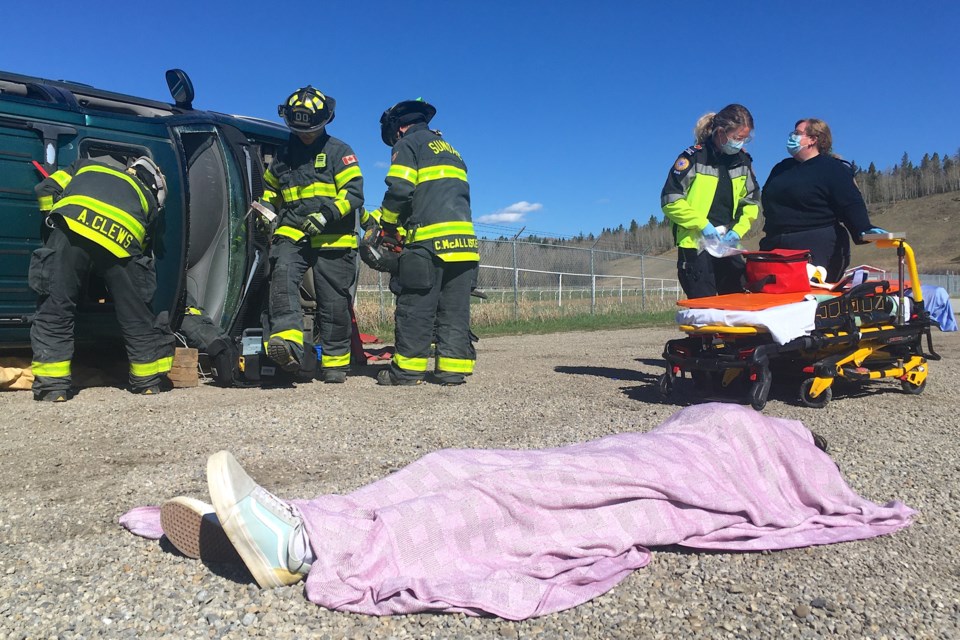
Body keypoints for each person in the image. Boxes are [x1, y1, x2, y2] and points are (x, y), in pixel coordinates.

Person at [30, 156, 175, 401]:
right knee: (136, 314)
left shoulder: (85, 165)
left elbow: (44, 189)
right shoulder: (146, 197)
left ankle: (53, 388)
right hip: (121, 241)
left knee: (56, 308)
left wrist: (52, 225)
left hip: (72, 226)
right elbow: (145, 246)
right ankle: (147, 383)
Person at [256, 86, 364, 383]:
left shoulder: (339, 152)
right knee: (282, 278)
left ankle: (335, 364)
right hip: (293, 231)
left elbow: (354, 194)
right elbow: (270, 189)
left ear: (325, 121)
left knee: (333, 303)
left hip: (334, 237)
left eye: (311, 130)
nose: (305, 135)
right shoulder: (284, 155)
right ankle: (287, 343)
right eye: (299, 129)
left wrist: (327, 214)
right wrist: (265, 206)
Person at [368, 99, 478, 386]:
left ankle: (405, 372)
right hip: (465, 246)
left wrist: (388, 224)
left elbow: (401, 190)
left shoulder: (408, 145)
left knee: (415, 308)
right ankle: (452, 371)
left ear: (400, 128)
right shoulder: (451, 150)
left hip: (429, 244)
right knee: (454, 311)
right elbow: (433, 197)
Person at [760, 118, 887, 282]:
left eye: (797, 134)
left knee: (809, 298)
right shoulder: (781, 168)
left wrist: (863, 227)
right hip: (775, 243)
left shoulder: (832, 168)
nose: (792, 137)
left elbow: (850, 202)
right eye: (792, 133)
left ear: (813, 139)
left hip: (815, 244)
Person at [661, 104, 760, 298]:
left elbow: (751, 202)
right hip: (695, 244)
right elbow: (670, 200)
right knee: (703, 310)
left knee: (737, 302)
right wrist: (702, 224)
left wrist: (737, 231)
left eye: (745, 139)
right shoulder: (694, 158)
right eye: (737, 138)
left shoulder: (743, 161)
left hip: (727, 246)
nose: (741, 143)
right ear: (721, 132)